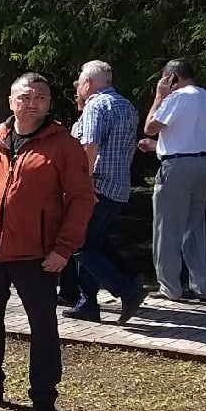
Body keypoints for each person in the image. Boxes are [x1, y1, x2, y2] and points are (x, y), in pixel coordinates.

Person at [0, 73, 95, 411]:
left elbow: (82, 199)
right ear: (11, 101)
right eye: (26, 97)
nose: (33, 103)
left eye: (41, 98)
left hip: (38, 255)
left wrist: (63, 249)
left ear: (49, 103)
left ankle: (43, 398)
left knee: (43, 326)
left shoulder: (63, 145)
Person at [65, 60, 146, 323]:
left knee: (79, 243)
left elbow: (89, 146)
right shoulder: (127, 106)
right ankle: (88, 302)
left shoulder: (96, 105)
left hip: (97, 185)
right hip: (119, 187)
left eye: (80, 81)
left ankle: (126, 289)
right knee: (94, 243)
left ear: (88, 82)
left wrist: (83, 182)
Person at [139, 58, 206, 301]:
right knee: (194, 226)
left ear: (172, 78)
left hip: (176, 168)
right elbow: (192, 134)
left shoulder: (176, 97)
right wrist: (160, 147)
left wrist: (159, 97)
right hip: (201, 164)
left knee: (167, 227)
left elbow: (150, 127)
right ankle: (200, 284)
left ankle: (170, 286)